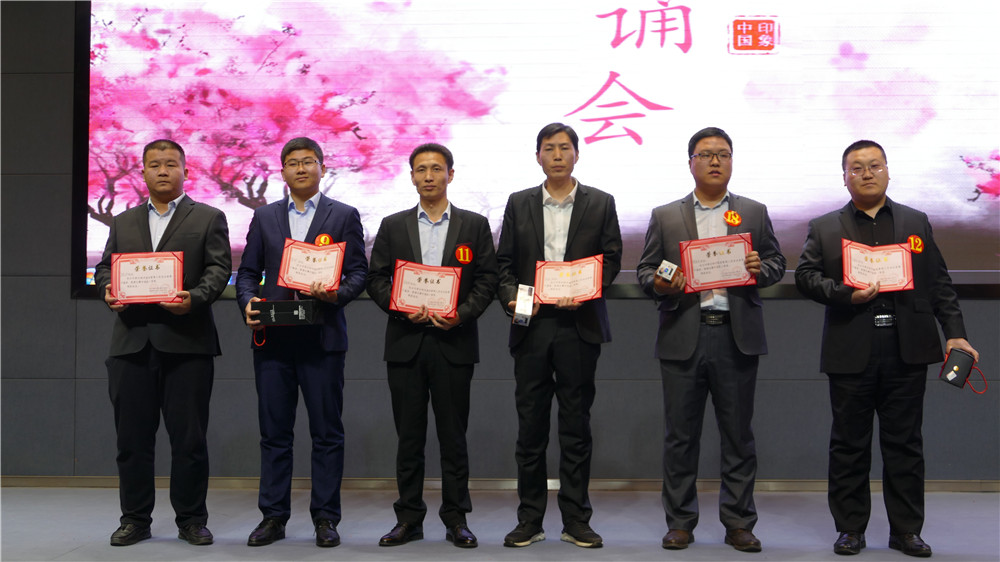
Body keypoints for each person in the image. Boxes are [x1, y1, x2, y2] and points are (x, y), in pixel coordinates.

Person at [795, 140, 979, 558]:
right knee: (848, 445)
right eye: (857, 167)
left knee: (905, 445)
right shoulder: (824, 227)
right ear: (844, 177)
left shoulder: (915, 221)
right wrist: (846, 294)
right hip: (851, 347)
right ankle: (850, 530)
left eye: (874, 165)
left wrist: (955, 332)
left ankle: (906, 531)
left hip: (906, 347)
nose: (867, 173)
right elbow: (805, 277)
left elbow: (939, 283)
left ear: (888, 171)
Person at [636, 126, 784, 553]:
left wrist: (759, 268)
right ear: (691, 164)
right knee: (680, 437)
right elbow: (646, 271)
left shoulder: (753, 211)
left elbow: (777, 263)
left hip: (736, 336)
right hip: (684, 333)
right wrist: (663, 281)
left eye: (723, 154)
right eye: (706, 154)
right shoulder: (666, 215)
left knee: (738, 435)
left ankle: (739, 523)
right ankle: (680, 522)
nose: (715, 161)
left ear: (732, 161)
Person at [96, 139, 232, 547]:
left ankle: (191, 520)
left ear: (185, 171)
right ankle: (135, 519)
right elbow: (105, 268)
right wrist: (107, 289)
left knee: (189, 440)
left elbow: (219, 268)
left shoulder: (208, 217)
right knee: (131, 441)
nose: (162, 171)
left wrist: (195, 298)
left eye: (171, 164)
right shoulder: (123, 221)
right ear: (142, 171)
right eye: (154, 164)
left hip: (187, 343)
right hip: (131, 344)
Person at [235, 137, 368, 548]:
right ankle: (273, 517)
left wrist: (336, 294)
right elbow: (247, 273)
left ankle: (326, 518)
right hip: (273, 340)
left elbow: (358, 273)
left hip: (322, 339)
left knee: (327, 433)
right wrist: (247, 301)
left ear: (322, 169)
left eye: (308, 161)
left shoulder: (343, 215)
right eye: (292, 163)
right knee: (274, 434)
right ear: (283, 172)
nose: (301, 168)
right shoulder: (265, 217)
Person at [366, 143, 499, 549]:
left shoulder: (474, 225)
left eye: (436, 169)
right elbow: (376, 279)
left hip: (454, 342)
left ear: (450, 175)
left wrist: (460, 314)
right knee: (409, 438)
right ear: (411, 177)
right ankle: (408, 518)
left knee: (453, 437)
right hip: (405, 343)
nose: (428, 176)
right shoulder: (393, 225)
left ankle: (456, 519)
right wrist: (401, 307)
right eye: (420, 169)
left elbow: (487, 280)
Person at [496, 123, 622, 549]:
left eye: (564, 148)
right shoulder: (519, 203)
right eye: (548, 148)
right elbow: (504, 264)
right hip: (531, 325)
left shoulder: (600, 202)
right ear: (537, 156)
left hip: (578, 326)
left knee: (575, 428)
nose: (556, 155)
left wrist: (586, 291)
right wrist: (511, 299)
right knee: (530, 429)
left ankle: (576, 520)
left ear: (577, 155)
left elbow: (611, 260)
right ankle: (529, 519)